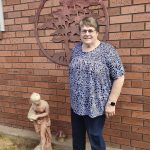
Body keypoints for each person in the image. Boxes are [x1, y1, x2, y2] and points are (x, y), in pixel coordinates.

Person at [69, 17, 125, 150]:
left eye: (90, 30)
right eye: (84, 31)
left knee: (95, 137)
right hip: (76, 103)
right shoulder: (76, 49)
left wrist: (112, 102)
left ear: (97, 33)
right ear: (80, 33)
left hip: (96, 105)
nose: (87, 34)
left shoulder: (107, 51)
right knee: (77, 138)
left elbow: (119, 77)